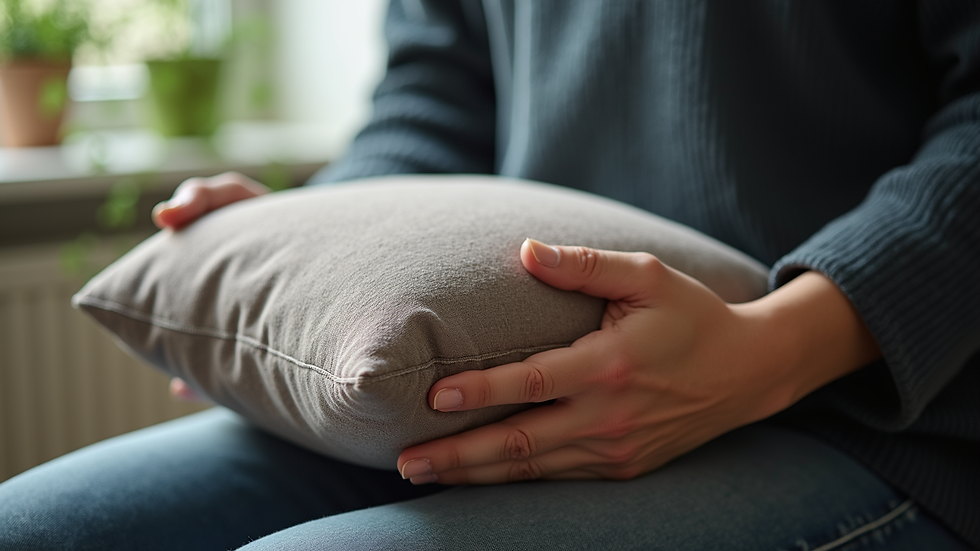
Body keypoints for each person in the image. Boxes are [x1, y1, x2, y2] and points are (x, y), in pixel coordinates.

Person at [2, 1, 978, 549]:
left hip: (864, 418)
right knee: (35, 526)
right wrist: (317, 237)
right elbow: (434, 91)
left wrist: (776, 345)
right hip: (497, 393)